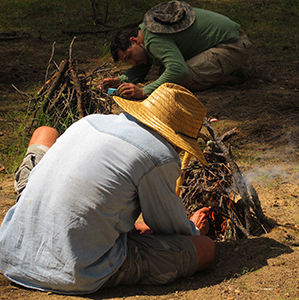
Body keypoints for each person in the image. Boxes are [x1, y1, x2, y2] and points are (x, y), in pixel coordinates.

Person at [0, 83, 215, 295]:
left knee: (45, 133)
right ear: (178, 140)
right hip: (75, 270)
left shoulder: (91, 121)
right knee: (205, 249)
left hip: (10, 252)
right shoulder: (159, 154)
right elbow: (170, 229)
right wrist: (195, 230)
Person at [98, 0, 252, 99]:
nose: (133, 62)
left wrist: (145, 91)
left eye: (129, 56)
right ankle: (222, 71)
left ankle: (233, 77)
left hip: (232, 46)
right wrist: (120, 81)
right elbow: (141, 68)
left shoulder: (152, 39)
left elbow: (179, 71)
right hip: (229, 41)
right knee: (164, 73)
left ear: (134, 41)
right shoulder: (145, 36)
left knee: (180, 81)